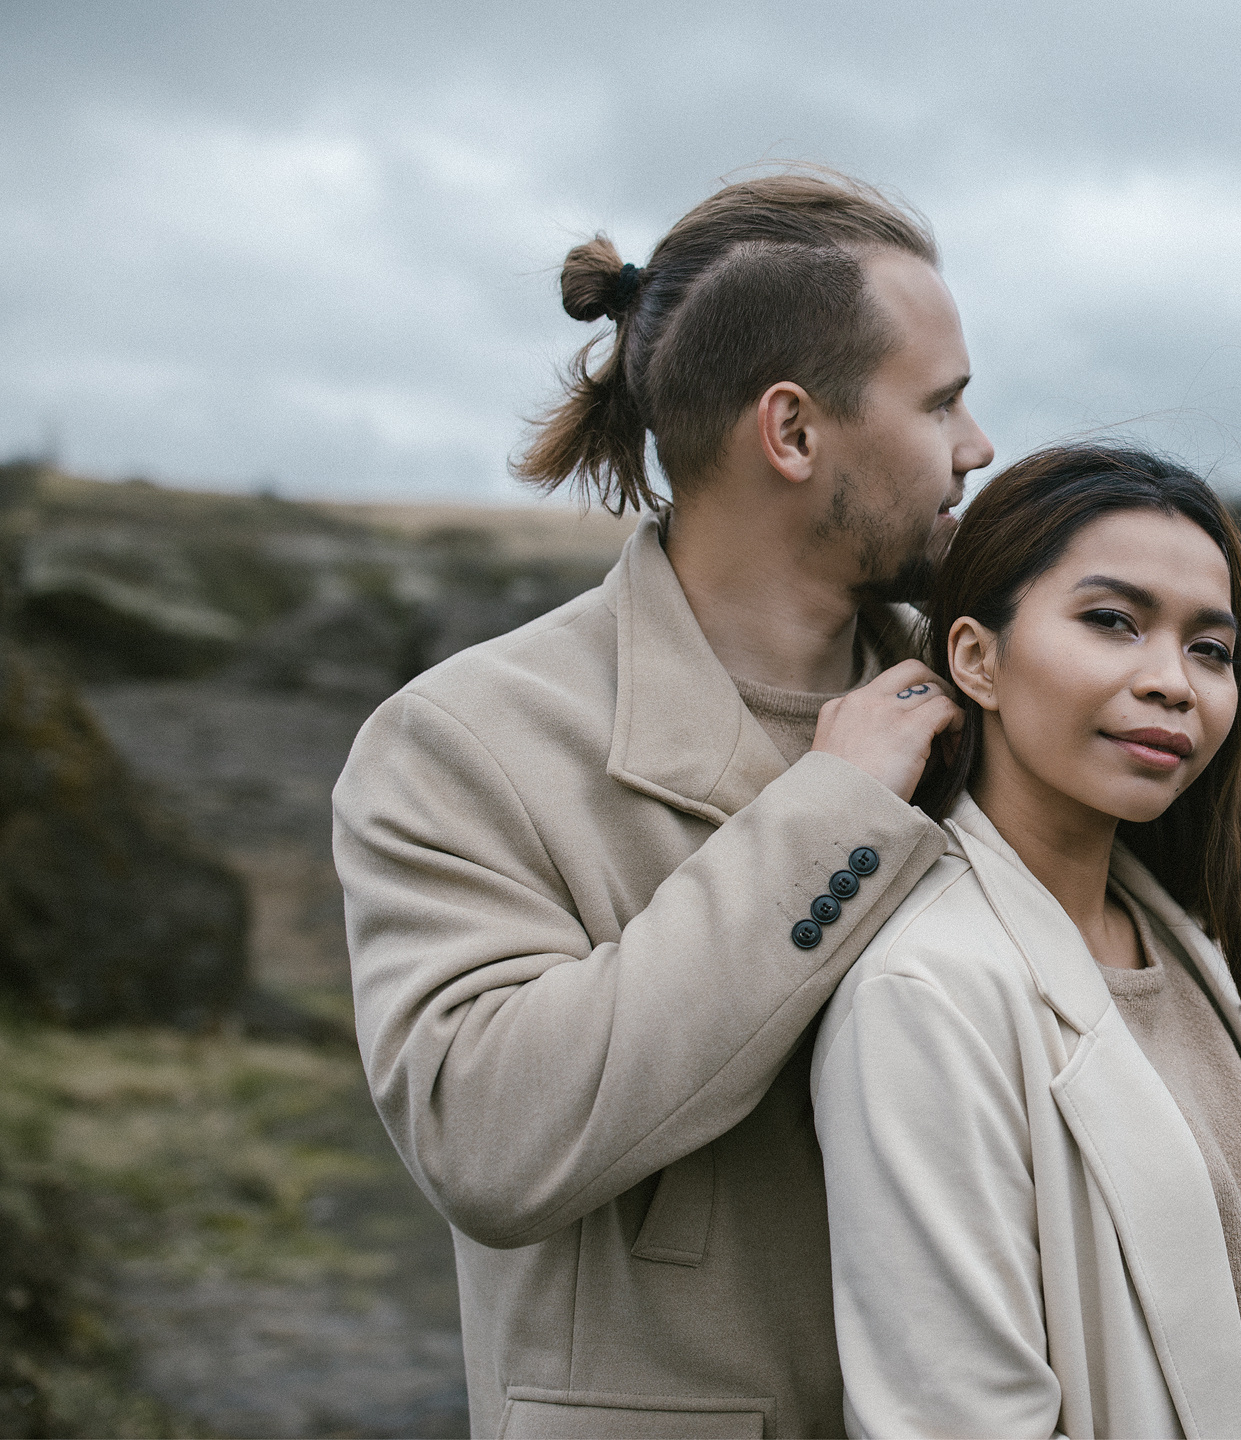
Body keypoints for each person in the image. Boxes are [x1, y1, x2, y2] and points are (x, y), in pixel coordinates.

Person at [331, 168, 993, 1439]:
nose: (979, 446)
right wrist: (831, 817)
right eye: (945, 402)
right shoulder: (462, 744)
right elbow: (486, 1136)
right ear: (792, 433)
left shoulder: (991, 702)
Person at [811, 446, 1241, 1438]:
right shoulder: (926, 993)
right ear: (975, 658)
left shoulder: (1184, 948)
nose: (1174, 683)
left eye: (1210, 650)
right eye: (1112, 622)